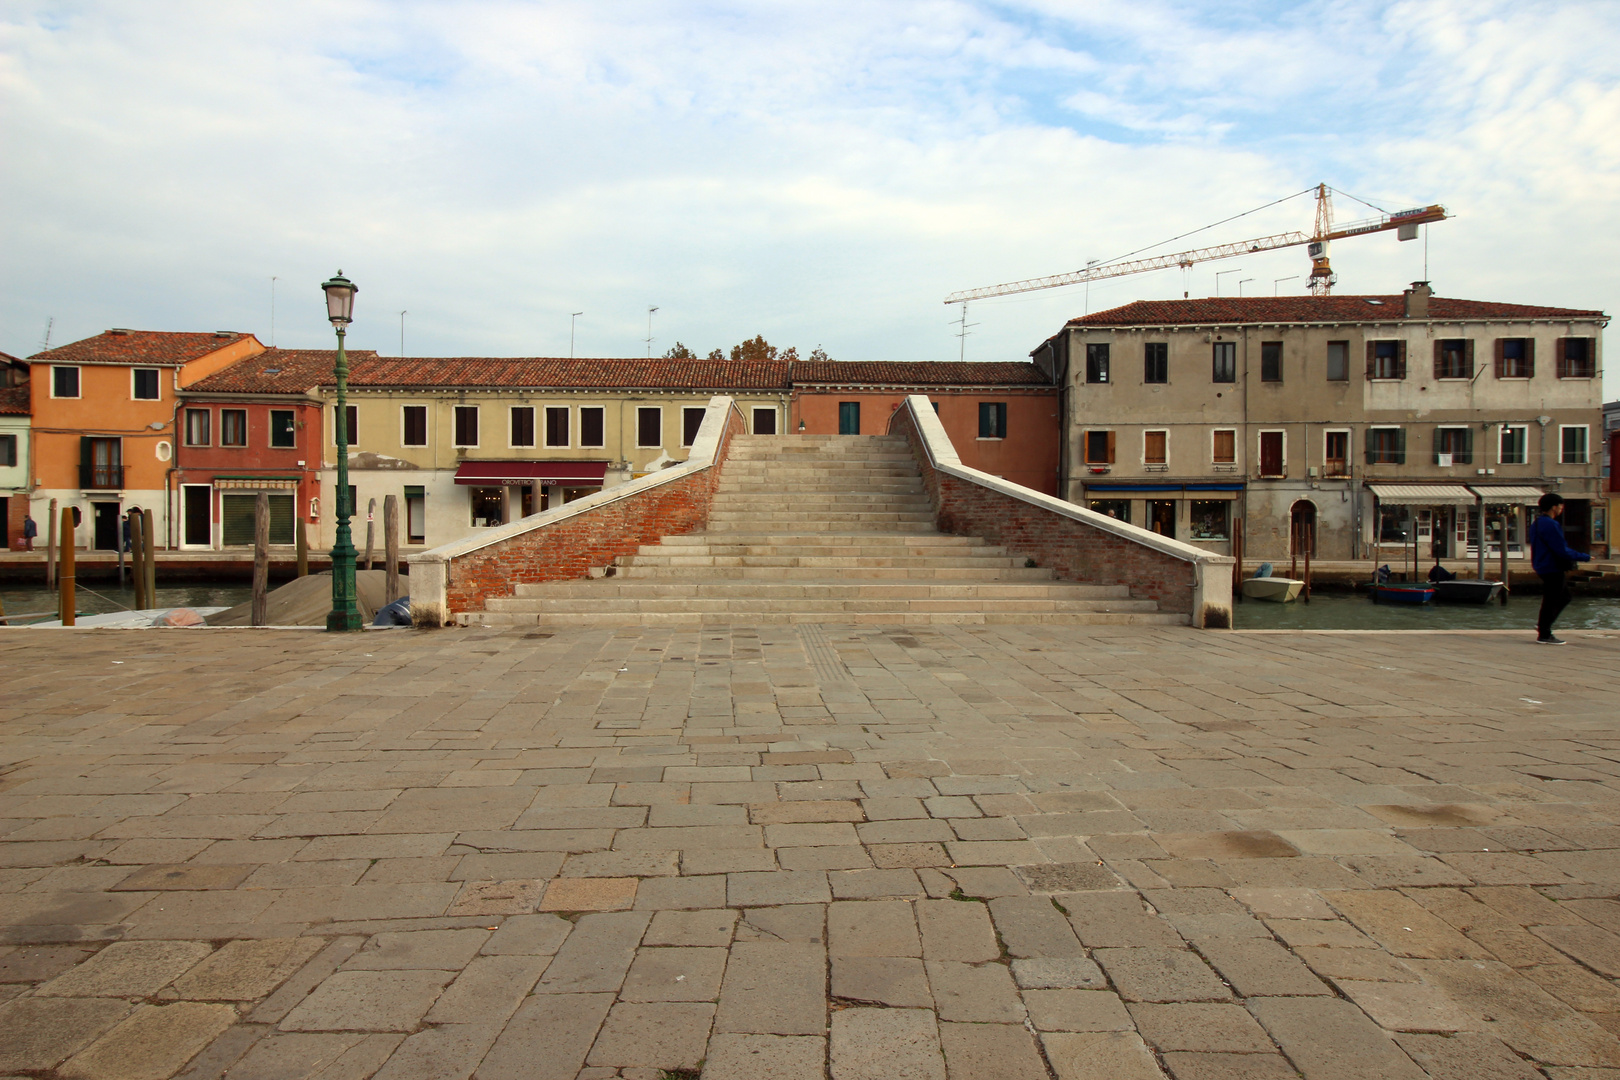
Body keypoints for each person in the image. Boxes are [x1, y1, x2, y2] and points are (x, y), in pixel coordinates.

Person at [1529, 492, 1590, 644]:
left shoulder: (1536, 523)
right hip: (1552, 566)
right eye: (1560, 505)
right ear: (1554, 507)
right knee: (1557, 598)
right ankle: (1544, 632)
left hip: (1541, 565)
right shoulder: (1551, 524)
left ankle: (1544, 625)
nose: (1562, 508)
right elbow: (1561, 549)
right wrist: (1583, 556)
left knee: (1557, 597)